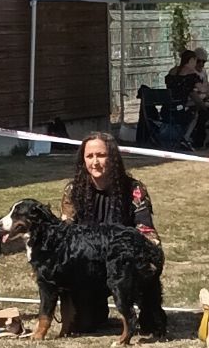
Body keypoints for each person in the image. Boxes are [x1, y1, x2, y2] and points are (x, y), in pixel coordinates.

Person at [60, 132, 160, 329]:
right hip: (89, 267)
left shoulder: (134, 189)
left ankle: (147, 309)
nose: (95, 162)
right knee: (84, 324)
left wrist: (147, 260)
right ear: (83, 160)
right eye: (89, 156)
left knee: (151, 325)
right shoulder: (72, 191)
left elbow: (147, 232)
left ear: (113, 158)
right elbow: (65, 236)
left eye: (101, 155)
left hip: (124, 263)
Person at [166, 50, 209, 148]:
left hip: (169, 106)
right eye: (195, 61)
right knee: (201, 110)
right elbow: (202, 89)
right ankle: (187, 138)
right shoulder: (190, 73)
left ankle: (185, 137)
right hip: (182, 106)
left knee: (198, 106)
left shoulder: (172, 71)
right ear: (191, 60)